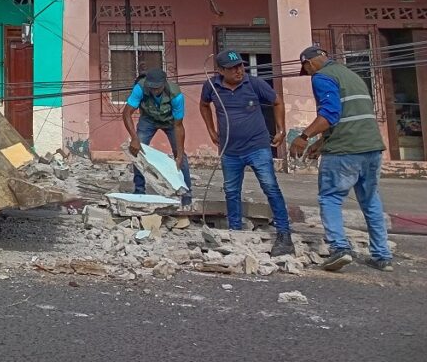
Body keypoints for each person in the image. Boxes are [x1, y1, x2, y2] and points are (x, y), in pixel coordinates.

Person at [289, 46, 393, 272]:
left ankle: (340, 249)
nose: (308, 75)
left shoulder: (321, 77)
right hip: (372, 147)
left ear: (309, 63)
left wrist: (304, 137)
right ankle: (382, 256)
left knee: (330, 197)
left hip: (345, 150)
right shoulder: (352, 75)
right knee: (371, 200)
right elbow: (350, 116)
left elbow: (330, 113)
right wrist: (322, 142)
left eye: (306, 70)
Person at [200, 49, 294, 257]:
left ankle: (284, 234)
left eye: (240, 66)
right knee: (232, 191)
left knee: (270, 187)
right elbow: (204, 105)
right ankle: (235, 232)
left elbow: (277, 101)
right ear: (221, 71)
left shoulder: (254, 83)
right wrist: (210, 130)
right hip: (230, 150)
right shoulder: (212, 86)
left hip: (258, 146)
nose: (238, 71)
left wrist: (280, 129)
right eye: (233, 68)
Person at [122, 67, 192, 206]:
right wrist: (134, 138)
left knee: (181, 157)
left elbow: (179, 125)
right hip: (148, 119)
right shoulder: (140, 88)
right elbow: (126, 113)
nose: (154, 91)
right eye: (151, 88)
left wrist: (178, 155)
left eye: (157, 88)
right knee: (137, 151)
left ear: (164, 84)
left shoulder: (176, 95)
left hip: (170, 121)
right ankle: (139, 191)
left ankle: (187, 195)